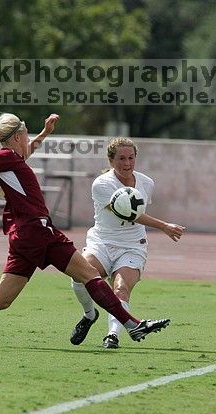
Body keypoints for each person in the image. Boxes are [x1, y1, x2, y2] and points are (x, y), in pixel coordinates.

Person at [0, 113, 170, 344]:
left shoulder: (13, 158)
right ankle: (132, 325)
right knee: (89, 275)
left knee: (0, 300)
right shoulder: (4, 157)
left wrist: (45, 134)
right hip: (38, 231)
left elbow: (28, 151)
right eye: (26, 135)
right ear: (17, 137)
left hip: (23, 236)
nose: (29, 140)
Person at [69, 137, 185, 349]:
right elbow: (130, 213)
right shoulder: (102, 184)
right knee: (79, 276)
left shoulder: (146, 183)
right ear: (111, 160)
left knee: (121, 289)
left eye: (131, 158)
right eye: (121, 158)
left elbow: (137, 213)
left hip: (132, 245)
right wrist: (164, 226)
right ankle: (89, 314)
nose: (127, 163)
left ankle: (112, 336)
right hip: (102, 241)